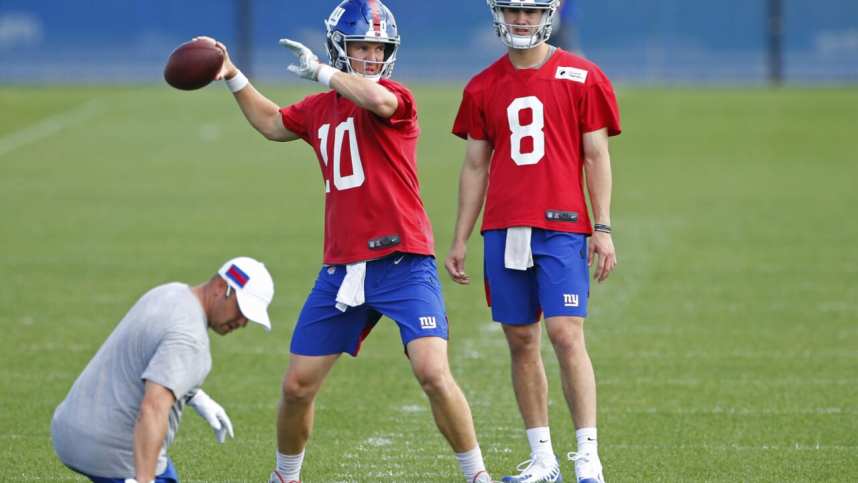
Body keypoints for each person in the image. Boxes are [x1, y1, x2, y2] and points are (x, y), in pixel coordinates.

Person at [200, 1, 497, 482]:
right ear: (342, 47)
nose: (371, 57)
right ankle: (285, 476)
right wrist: (234, 74)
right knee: (297, 386)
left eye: (378, 48)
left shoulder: (395, 97)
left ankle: (476, 475)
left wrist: (319, 71)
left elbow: (378, 101)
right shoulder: (321, 108)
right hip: (343, 267)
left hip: (403, 259)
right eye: (361, 47)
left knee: (432, 372)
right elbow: (273, 123)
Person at [445, 1, 621, 482]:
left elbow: (596, 154)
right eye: (512, 10)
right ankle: (543, 458)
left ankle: (588, 457)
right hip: (504, 227)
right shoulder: (482, 85)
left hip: (561, 225)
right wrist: (460, 236)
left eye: (530, 10)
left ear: (550, 13)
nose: (521, 19)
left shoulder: (583, 76)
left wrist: (601, 227)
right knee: (521, 340)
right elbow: (476, 165)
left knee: (566, 334)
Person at [51, 257, 275, 483]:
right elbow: (153, 408)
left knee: (167, 474)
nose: (243, 322)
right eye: (242, 310)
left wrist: (194, 395)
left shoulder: (170, 293)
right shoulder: (191, 339)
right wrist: (144, 480)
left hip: (70, 429)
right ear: (220, 288)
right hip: (110, 451)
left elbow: (147, 354)